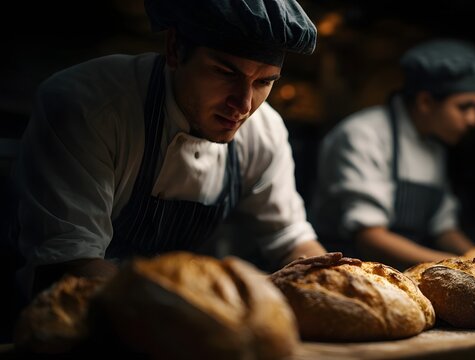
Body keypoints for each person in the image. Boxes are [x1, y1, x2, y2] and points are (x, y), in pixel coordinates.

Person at [10, 0, 327, 301]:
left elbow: (290, 238)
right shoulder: (90, 106)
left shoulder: (264, 132)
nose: (243, 106)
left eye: (263, 83)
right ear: (174, 49)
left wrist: (339, 282)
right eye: (225, 73)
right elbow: (70, 263)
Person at [311, 38, 475, 270]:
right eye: (464, 107)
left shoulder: (434, 144)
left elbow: (443, 228)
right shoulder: (363, 135)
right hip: (348, 272)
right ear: (425, 102)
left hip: (403, 272)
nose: (474, 120)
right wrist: (459, 267)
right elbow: (370, 238)